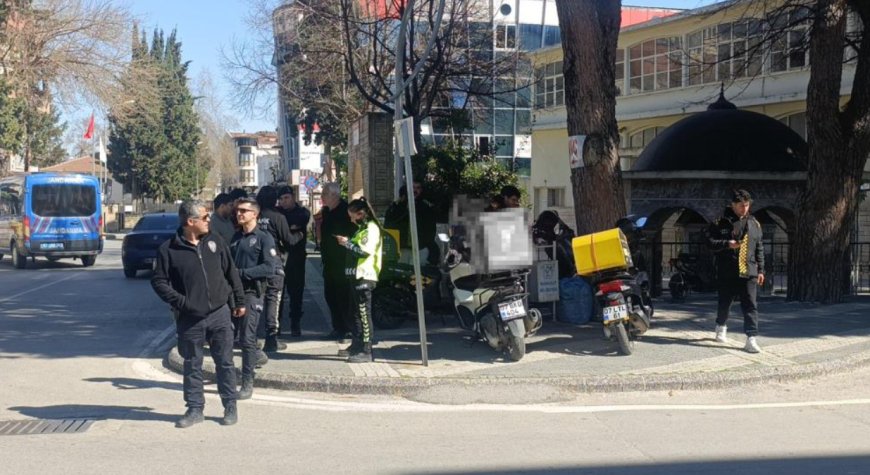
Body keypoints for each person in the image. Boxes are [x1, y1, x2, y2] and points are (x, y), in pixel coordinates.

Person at [151, 200, 245, 428]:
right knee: (192, 365)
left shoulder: (215, 241)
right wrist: (182, 302)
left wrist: (238, 300)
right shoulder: (168, 250)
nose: (209, 220)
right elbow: (159, 282)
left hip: (220, 313)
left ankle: (230, 405)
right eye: (204, 217)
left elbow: (230, 271)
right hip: (190, 318)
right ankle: (195, 409)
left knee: (225, 362)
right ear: (190, 222)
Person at [230, 198, 279, 399]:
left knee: (247, 337)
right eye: (237, 210)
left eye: (243, 211)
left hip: (252, 293)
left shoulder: (263, 238)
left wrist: (242, 274)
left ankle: (247, 381)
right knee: (231, 335)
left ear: (254, 214)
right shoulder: (235, 237)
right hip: (233, 293)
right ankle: (256, 356)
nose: (239, 214)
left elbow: (270, 268)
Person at [707, 189, 765, 353]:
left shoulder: (754, 223)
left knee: (750, 305)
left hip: (749, 270)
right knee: (725, 302)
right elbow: (709, 242)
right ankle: (721, 325)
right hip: (727, 270)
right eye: (740, 206)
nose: (744, 209)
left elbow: (759, 247)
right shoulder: (720, 222)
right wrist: (726, 244)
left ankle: (751, 338)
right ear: (732, 205)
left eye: (746, 205)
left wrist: (761, 270)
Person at [334, 197, 383, 362]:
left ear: (360, 214)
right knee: (354, 313)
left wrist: (347, 243)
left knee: (363, 313)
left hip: (365, 276)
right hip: (355, 276)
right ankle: (356, 344)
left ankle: (367, 350)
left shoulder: (371, 228)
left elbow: (363, 252)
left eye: (352, 215)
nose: (350, 219)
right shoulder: (361, 229)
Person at [255, 185, 296, 353]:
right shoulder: (278, 217)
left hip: (255, 262)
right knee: (273, 299)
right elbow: (289, 241)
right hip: (273, 261)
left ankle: (251, 337)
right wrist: (300, 234)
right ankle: (271, 339)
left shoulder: (254, 216)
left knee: (256, 298)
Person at [320, 182, 357, 341]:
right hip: (329, 261)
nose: (322, 197)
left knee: (344, 297)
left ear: (334, 195)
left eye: (324, 194)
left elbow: (355, 234)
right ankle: (338, 327)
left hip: (343, 261)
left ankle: (348, 329)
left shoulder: (346, 211)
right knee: (330, 295)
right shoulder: (327, 211)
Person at [277, 186, 310, 337]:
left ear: (293, 197)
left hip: (296, 260)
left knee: (296, 294)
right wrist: (290, 229)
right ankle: (276, 325)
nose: (284, 201)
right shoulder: (277, 213)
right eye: (281, 199)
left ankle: (295, 324)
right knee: (278, 294)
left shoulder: (302, 212)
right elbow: (287, 231)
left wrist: (287, 229)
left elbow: (296, 226)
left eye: (287, 198)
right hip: (280, 259)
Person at [383, 181, 436, 265]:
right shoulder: (397, 205)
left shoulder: (426, 207)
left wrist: (426, 243)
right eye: (413, 187)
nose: (415, 190)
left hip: (420, 248)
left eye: (418, 188)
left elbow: (431, 229)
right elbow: (389, 224)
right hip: (402, 248)